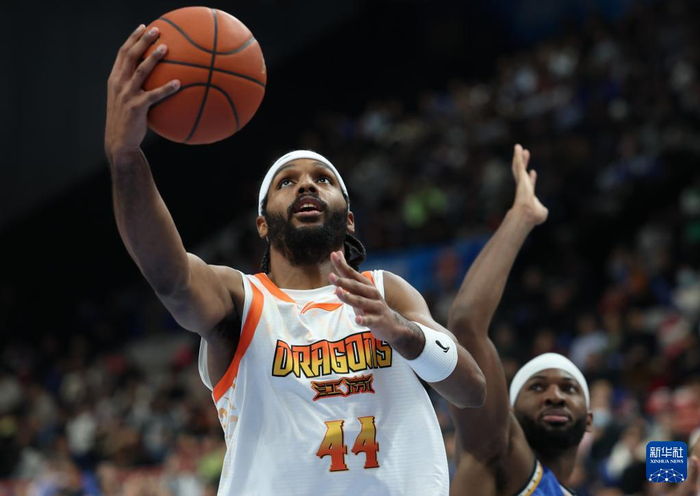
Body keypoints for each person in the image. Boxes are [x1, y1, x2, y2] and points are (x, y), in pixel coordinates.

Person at [104, 25, 486, 495]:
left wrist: (402, 332)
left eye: (323, 179)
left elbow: (472, 389)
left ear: (349, 219)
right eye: (286, 182)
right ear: (263, 224)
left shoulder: (387, 293)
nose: (306, 184)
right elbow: (170, 277)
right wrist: (126, 157)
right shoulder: (241, 299)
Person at [447, 146, 700, 496]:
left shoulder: (598, 474)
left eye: (568, 389)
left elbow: (660, 479)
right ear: (508, 413)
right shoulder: (492, 458)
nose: (555, 396)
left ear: (590, 419)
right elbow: (466, 323)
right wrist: (521, 217)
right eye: (537, 388)